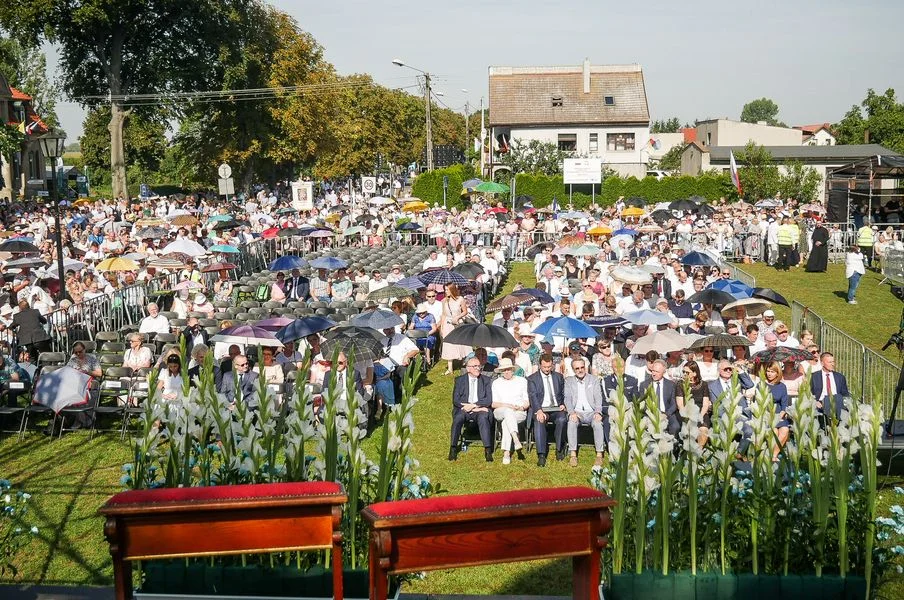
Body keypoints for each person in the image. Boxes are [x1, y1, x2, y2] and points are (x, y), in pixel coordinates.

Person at [563, 356, 606, 468]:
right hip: (577, 412)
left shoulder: (594, 379)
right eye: (577, 368)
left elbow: (598, 397)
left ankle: (599, 454)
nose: (580, 370)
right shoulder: (568, 381)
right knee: (571, 422)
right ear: (573, 370)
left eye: (582, 367)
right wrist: (571, 413)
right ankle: (573, 454)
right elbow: (567, 398)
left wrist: (598, 412)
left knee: (597, 423)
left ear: (585, 367)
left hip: (591, 411)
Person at [449, 358, 494, 462]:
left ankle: (487, 449)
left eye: (479, 366)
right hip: (464, 409)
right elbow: (456, 400)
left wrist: (473, 406)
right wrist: (466, 407)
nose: (478, 368)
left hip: (479, 409)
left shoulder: (486, 380)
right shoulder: (459, 380)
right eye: (475, 366)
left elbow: (488, 400)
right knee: (458, 417)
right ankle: (453, 448)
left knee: (483, 417)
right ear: (468, 368)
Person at [527, 354, 567, 466]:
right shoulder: (532, 379)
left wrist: (563, 404)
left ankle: (559, 448)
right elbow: (533, 396)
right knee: (539, 421)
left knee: (562, 419)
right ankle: (541, 454)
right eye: (544, 367)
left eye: (549, 367)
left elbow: (564, 393)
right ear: (540, 365)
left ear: (552, 365)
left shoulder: (558, 377)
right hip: (541, 408)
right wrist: (538, 410)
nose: (547, 369)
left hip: (556, 407)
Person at [491, 358, 529, 465]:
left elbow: (527, 401)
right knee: (508, 412)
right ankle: (515, 438)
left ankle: (506, 453)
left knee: (506, 422)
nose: (506, 372)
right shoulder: (496, 383)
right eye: (504, 370)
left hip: (519, 412)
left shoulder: (522, 381)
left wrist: (521, 407)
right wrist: (507, 405)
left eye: (508, 369)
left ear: (513, 370)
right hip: (500, 410)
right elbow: (494, 404)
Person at [638, 359, 679, 435]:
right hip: (650, 414)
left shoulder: (671, 385)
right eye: (653, 371)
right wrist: (651, 414)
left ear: (664, 372)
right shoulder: (644, 385)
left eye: (657, 372)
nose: (654, 374)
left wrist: (666, 414)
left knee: (675, 427)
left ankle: (672, 445)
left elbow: (674, 404)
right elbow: (642, 403)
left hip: (666, 414)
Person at [676, 360, 711, 447]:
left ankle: (699, 451)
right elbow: (680, 405)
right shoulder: (680, 385)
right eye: (683, 372)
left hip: (700, 413)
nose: (684, 374)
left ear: (695, 373)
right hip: (686, 414)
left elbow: (705, 404)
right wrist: (687, 417)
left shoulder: (704, 385)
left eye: (687, 372)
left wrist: (700, 416)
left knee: (703, 430)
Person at [762, 361, 791, 461]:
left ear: (778, 373)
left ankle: (774, 455)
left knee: (785, 430)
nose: (769, 374)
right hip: (767, 414)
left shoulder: (782, 386)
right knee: (774, 431)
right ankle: (772, 456)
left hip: (779, 413)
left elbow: (784, 402)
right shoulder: (762, 385)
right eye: (768, 371)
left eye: (772, 372)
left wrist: (783, 411)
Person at [439, 283, 471, 375]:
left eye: (447, 290)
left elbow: (465, 311)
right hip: (448, 324)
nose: (445, 292)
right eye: (445, 290)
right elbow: (444, 314)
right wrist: (442, 327)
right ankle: (450, 367)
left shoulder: (460, 299)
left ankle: (464, 361)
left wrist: (457, 317)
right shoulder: (444, 301)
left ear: (452, 290)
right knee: (448, 344)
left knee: (461, 342)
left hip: (458, 323)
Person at [809, 352, 850, 420]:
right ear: (822, 363)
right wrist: (814, 402)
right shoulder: (814, 376)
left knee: (837, 398)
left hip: (837, 403)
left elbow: (845, 394)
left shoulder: (840, 377)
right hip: (820, 403)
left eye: (833, 362)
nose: (833, 364)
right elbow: (809, 393)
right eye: (829, 362)